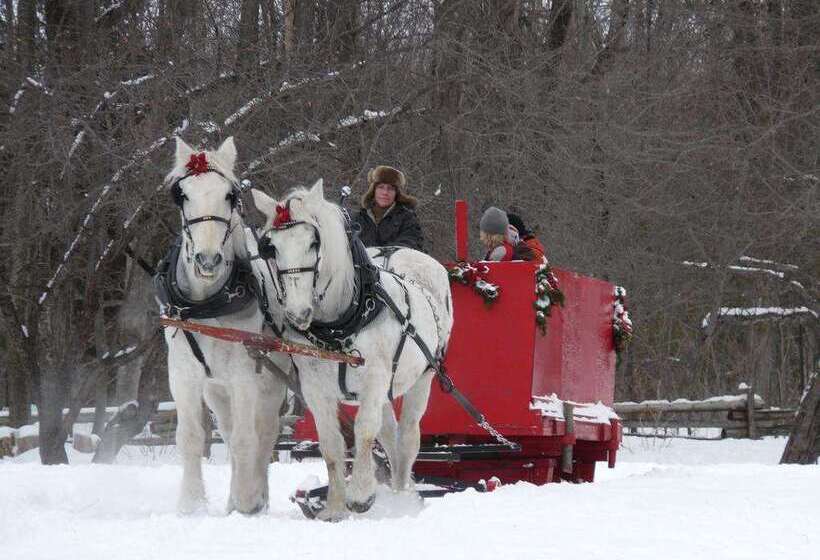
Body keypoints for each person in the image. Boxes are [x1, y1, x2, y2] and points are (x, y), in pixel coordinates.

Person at [353, 165, 423, 251]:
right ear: (373, 191)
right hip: (362, 264)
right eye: (381, 187)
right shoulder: (359, 218)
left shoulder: (407, 218)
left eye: (390, 189)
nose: (385, 192)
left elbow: (411, 242)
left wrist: (382, 254)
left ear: (396, 193)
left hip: (395, 263)